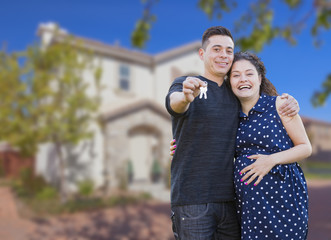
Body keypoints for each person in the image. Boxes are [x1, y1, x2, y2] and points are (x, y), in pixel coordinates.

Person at [165, 26, 299, 240]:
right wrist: (186, 96)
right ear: (202, 54)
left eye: (228, 50)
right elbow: (175, 104)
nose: (223, 55)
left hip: (233, 201)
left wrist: (290, 102)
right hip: (193, 200)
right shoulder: (186, 84)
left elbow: (258, 106)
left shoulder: (235, 92)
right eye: (216, 49)